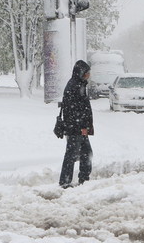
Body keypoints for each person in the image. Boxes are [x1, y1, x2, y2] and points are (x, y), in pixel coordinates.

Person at [59, 60, 94, 189]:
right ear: (80, 72)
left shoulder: (79, 84)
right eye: (86, 73)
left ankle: (83, 179)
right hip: (76, 128)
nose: (88, 75)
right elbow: (74, 111)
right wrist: (82, 128)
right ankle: (65, 182)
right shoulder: (75, 86)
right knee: (72, 155)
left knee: (85, 153)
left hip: (78, 128)